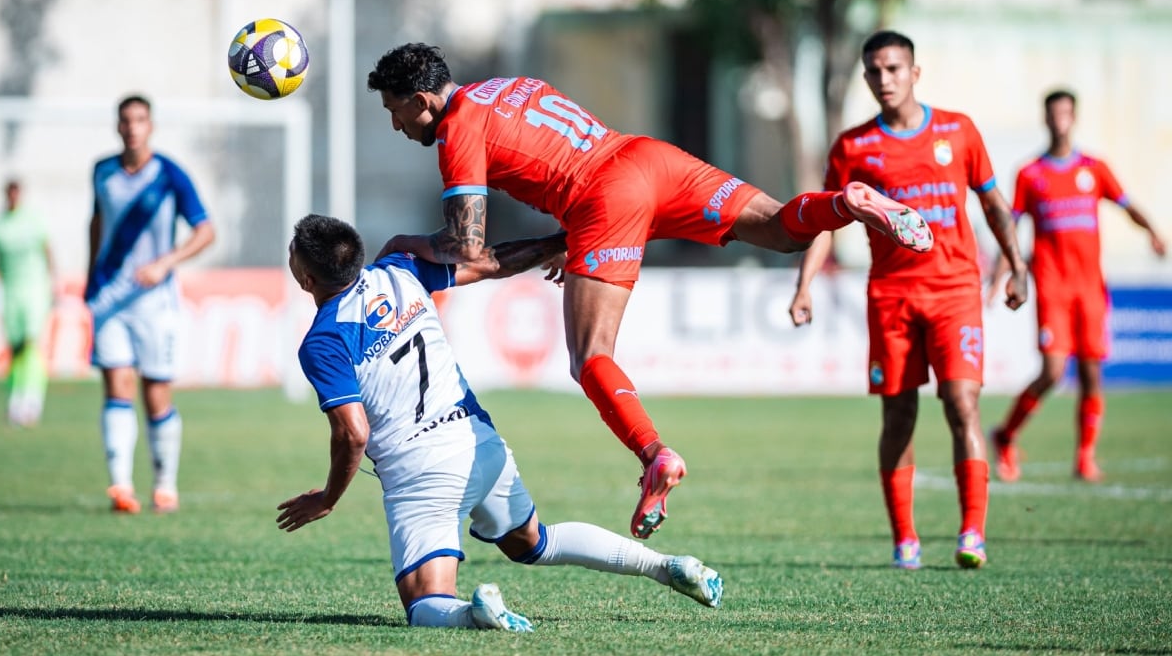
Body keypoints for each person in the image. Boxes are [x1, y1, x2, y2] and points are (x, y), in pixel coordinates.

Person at [366, 42, 936, 539]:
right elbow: (553, 150)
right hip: (648, 159)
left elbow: (469, 247)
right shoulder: (505, 87)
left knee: (591, 358)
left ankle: (654, 454)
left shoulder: (458, 127)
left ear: (421, 100)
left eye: (394, 113)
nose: (396, 126)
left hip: (606, 197)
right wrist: (570, 237)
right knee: (782, 230)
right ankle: (847, 202)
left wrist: (405, 243)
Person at [277, 213, 724, 631]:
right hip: (479, 445)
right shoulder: (400, 271)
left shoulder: (324, 340)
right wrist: (558, 242)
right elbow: (493, 263)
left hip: (421, 471)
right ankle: (664, 565)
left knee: (423, 603)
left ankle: (477, 614)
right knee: (533, 542)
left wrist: (328, 498)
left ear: (306, 278)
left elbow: (353, 433)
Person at [788, 30, 1029, 570]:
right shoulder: (853, 147)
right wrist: (804, 284)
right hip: (892, 296)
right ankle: (905, 539)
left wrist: (1016, 265)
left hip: (956, 291)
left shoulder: (958, 131)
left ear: (915, 73)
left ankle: (973, 533)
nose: (884, 79)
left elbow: (993, 203)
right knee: (898, 415)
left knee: (962, 403)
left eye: (894, 69)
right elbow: (826, 222)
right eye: (874, 71)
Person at [988, 89, 1167, 483]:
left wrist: (1153, 231)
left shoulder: (1094, 168)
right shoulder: (1030, 173)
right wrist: (1000, 273)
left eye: (1066, 112)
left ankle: (1085, 456)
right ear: (1046, 118)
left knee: (1091, 374)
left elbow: (1126, 203)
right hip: (1053, 287)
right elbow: (1010, 226)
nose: (1060, 119)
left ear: (1074, 117)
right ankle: (1005, 434)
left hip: (1090, 289)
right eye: (1054, 113)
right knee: (1053, 370)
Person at [86, 95, 216, 514]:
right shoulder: (102, 171)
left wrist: (167, 263)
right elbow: (97, 223)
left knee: (156, 392)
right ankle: (121, 487)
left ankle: (164, 485)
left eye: (140, 119)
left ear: (150, 126)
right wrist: (91, 277)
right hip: (109, 298)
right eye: (125, 120)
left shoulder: (169, 174)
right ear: (117, 126)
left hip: (153, 301)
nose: (132, 127)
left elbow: (205, 231)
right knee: (116, 387)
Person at [0, 179, 57, 427]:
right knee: (16, 347)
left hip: (35, 289)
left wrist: (54, 282)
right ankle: (15, 399)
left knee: (32, 343)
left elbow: (47, 250)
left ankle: (32, 400)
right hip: (10, 290)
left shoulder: (34, 220)